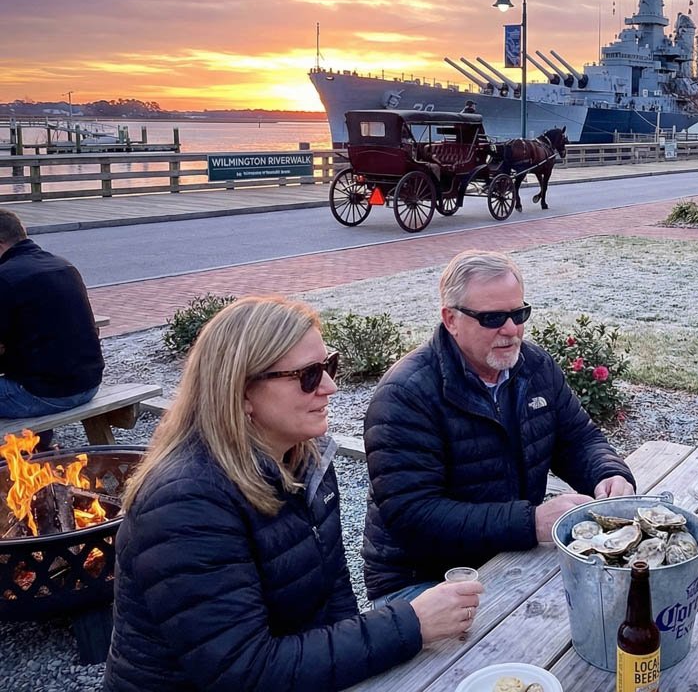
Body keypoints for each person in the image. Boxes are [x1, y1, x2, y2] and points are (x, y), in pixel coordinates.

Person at [104, 296, 480, 692]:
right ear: (241, 391)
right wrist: (410, 623)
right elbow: (244, 671)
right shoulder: (184, 504)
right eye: (309, 375)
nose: (330, 387)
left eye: (329, 365)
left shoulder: (306, 458)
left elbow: (335, 598)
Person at [362, 250, 636, 605]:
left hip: (509, 553)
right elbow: (415, 516)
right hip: (424, 581)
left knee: (618, 600)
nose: (511, 329)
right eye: (492, 318)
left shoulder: (535, 366)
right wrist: (530, 523)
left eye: (518, 314)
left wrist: (607, 474)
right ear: (451, 319)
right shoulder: (406, 394)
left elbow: (578, 439)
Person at [0, 209, 103, 420]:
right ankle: (43, 438)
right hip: (89, 384)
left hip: (44, 394)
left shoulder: (5, 277)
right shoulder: (64, 265)